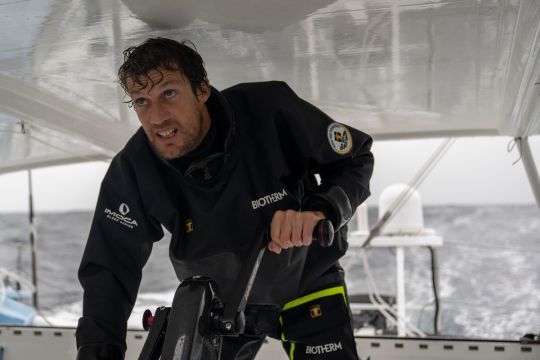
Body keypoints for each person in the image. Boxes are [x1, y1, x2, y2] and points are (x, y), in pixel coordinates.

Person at [75, 37, 374, 360]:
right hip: (217, 301)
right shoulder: (134, 168)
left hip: (304, 278)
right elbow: (110, 265)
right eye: (142, 102)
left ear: (202, 90)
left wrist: (322, 211)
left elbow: (354, 159)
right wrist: (98, 350)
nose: (157, 117)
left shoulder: (269, 109)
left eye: (169, 94)